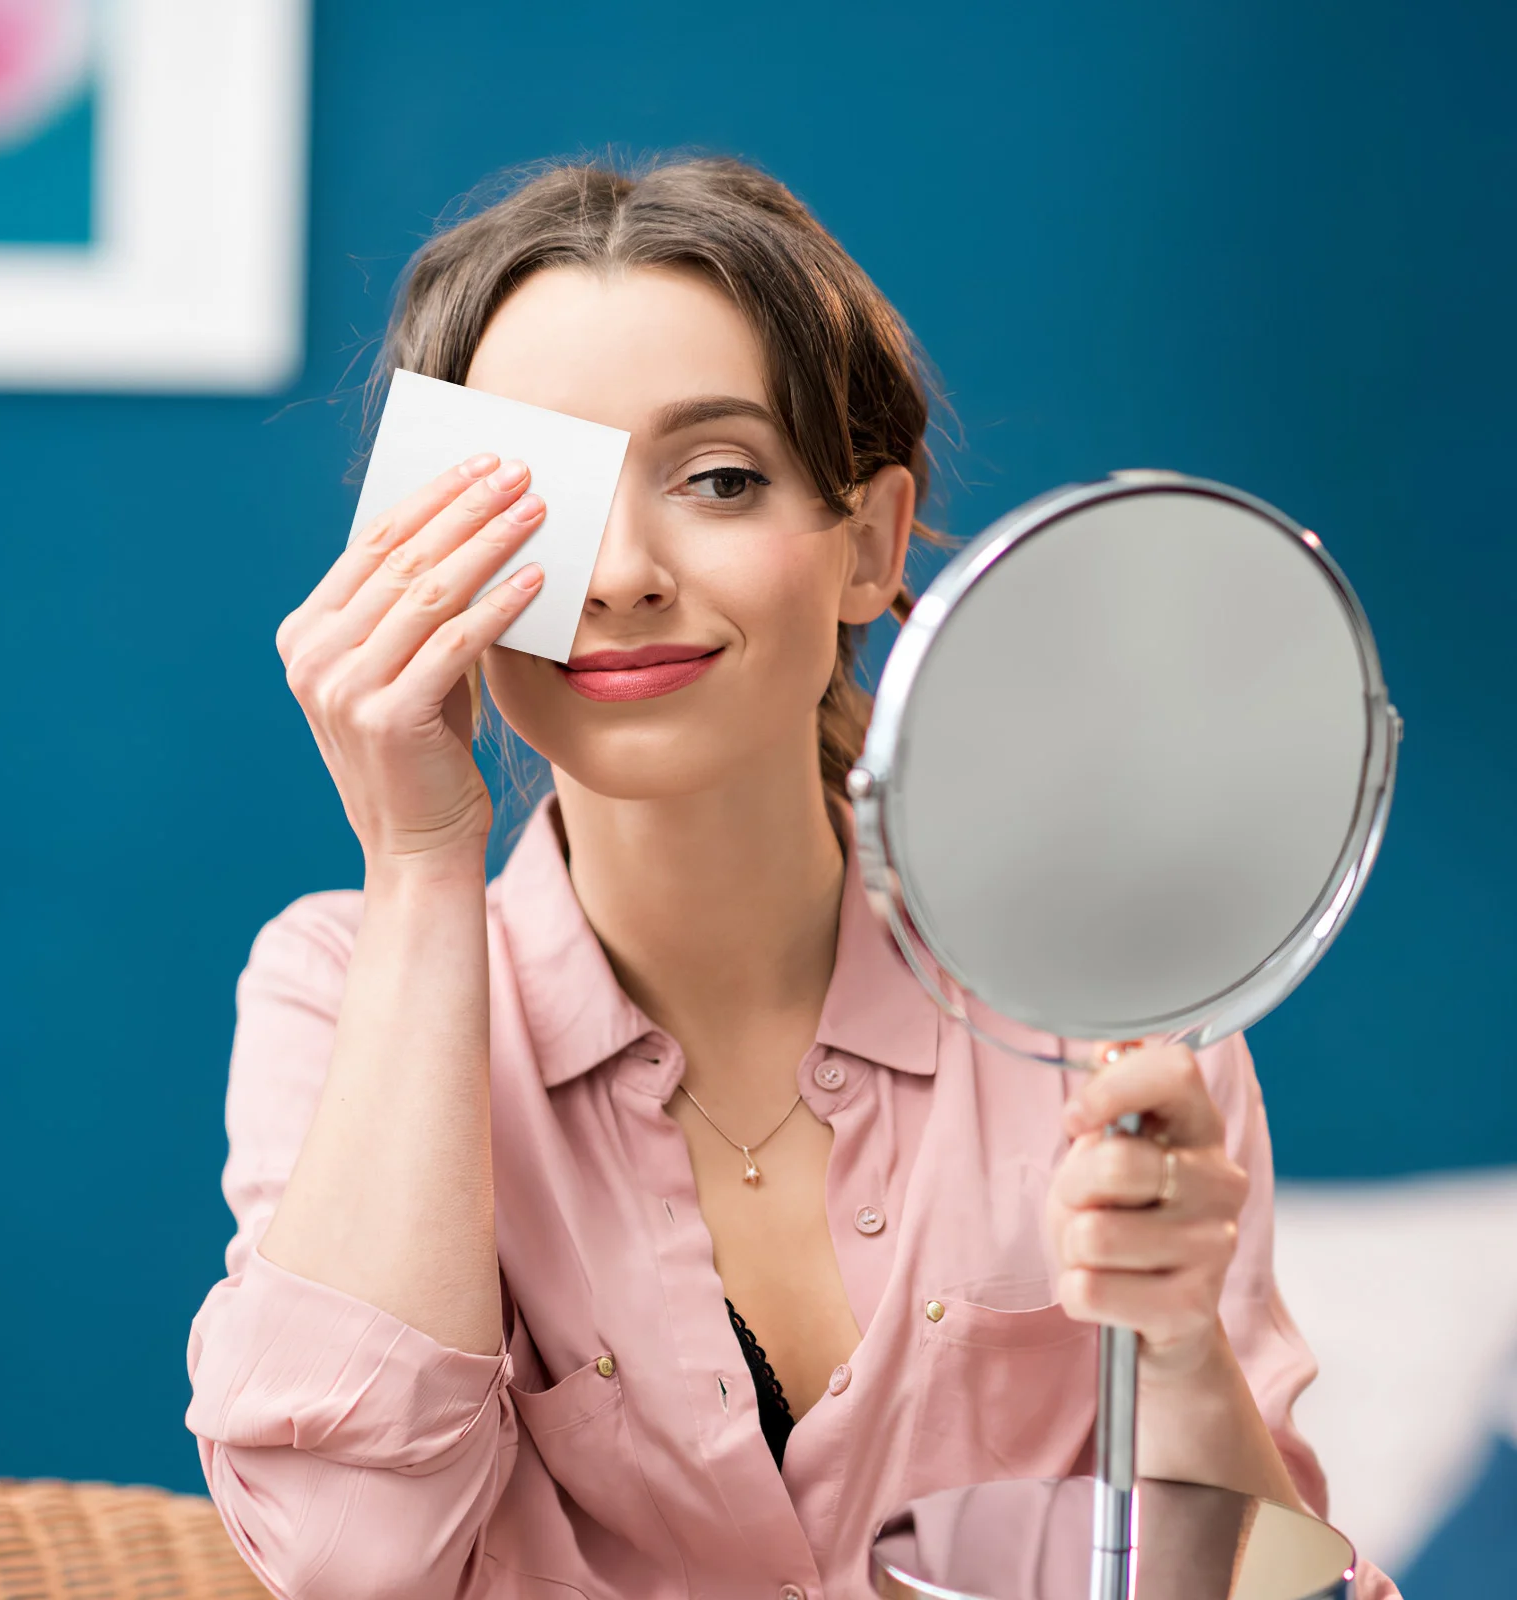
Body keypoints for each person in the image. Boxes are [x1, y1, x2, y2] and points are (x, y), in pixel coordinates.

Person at [184, 156, 1398, 1600]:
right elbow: (355, 1563)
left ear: (870, 547)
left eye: (719, 478)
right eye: (538, 499)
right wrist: (422, 860)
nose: (624, 572)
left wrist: (1179, 1335)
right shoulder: (338, 990)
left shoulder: (1103, 1006)